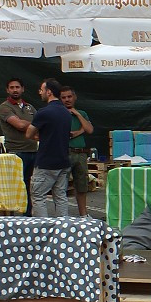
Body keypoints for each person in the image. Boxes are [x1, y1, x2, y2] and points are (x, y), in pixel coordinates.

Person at [24, 79, 72, 217]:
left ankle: (42, 231)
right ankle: (64, 228)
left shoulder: (43, 112)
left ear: (49, 92)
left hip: (46, 161)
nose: (40, 92)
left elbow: (29, 134)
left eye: (41, 89)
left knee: (38, 196)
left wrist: (37, 135)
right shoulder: (66, 113)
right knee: (61, 196)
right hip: (63, 160)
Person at [0, 78, 37, 212]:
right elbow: (19, 125)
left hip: (33, 150)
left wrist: (27, 124)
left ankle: (28, 215)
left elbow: (39, 125)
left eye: (17, 87)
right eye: (12, 87)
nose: (15, 90)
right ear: (7, 90)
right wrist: (31, 125)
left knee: (30, 185)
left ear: (23, 89)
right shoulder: (4, 107)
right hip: (16, 151)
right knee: (17, 186)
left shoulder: (30, 107)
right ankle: (18, 218)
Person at [60, 86, 94, 216]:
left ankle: (83, 214)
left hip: (80, 153)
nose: (67, 100)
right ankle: (62, 215)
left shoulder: (82, 113)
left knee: (82, 184)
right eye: (64, 97)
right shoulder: (59, 113)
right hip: (65, 152)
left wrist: (77, 114)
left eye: (69, 97)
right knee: (61, 184)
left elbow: (89, 129)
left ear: (74, 97)